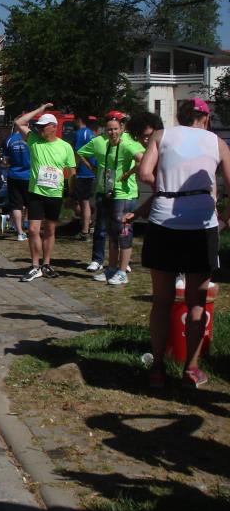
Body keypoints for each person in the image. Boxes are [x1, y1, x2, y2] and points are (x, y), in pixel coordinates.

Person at [129, 98, 230, 388]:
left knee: (162, 301)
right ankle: (191, 369)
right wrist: (225, 217)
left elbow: (144, 173)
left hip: (164, 221)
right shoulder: (217, 142)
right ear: (205, 118)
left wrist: (165, 189)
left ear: (180, 117)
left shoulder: (162, 136)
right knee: (196, 302)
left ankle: (157, 369)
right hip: (201, 224)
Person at [77, 113, 145, 285]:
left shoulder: (127, 144)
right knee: (112, 233)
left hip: (124, 195)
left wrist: (128, 173)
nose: (112, 133)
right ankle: (112, 269)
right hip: (109, 192)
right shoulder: (105, 144)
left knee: (124, 232)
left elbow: (142, 160)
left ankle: (122, 271)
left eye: (115, 129)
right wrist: (93, 168)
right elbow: (81, 153)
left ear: (121, 129)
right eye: (109, 130)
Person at [15, 104, 76, 282]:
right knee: (33, 229)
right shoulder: (33, 140)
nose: (40, 130)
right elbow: (19, 122)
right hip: (36, 193)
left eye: (43, 126)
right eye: (39, 127)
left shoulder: (65, 147)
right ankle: (35, 266)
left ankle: (46, 264)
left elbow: (72, 172)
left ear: (53, 127)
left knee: (50, 230)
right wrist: (41, 109)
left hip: (55, 194)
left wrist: (71, 195)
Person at [2, 120, 30, 241]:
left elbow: (5, 161)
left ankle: (20, 232)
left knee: (16, 205)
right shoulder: (30, 139)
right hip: (29, 175)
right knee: (31, 202)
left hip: (13, 175)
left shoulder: (9, 140)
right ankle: (28, 224)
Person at [73, 114, 97, 240]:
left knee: (82, 202)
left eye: (74, 120)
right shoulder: (92, 133)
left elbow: (77, 153)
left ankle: (85, 230)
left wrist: (74, 168)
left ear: (79, 120)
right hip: (92, 172)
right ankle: (89, 223)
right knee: (83, 201)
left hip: (84, 172)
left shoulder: (80, 133)